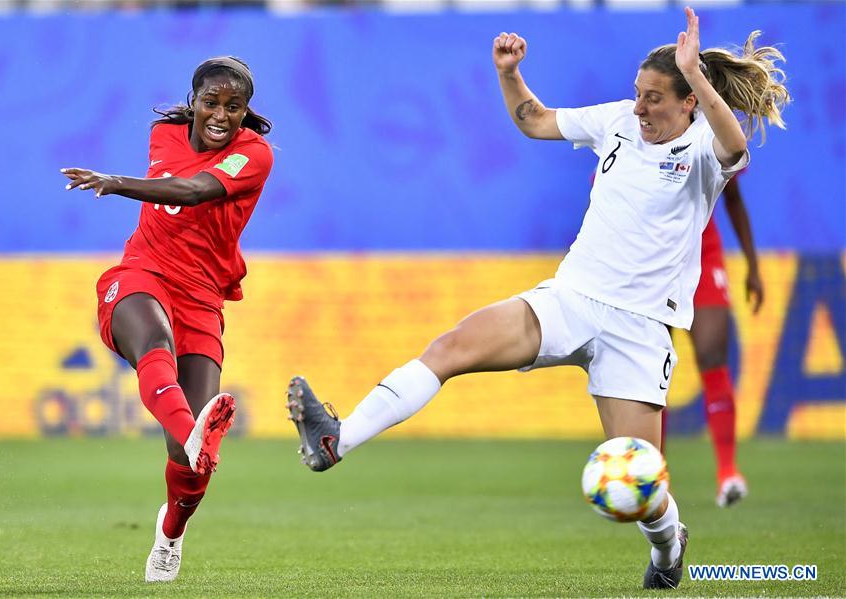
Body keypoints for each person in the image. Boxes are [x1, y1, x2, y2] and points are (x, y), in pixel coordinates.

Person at [285, 7, 789, 590]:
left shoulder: (705, 146)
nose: (640, 108)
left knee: (640, 480)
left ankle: (668, 545)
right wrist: (509, 74)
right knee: (450, 348)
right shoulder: (616, 121)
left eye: (654, 98)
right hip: (572, 299)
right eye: (638, 94)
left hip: (640, 329)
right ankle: (337, 439)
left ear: (689, 101)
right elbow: (536, 120)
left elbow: (734, 144)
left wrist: (694, 70)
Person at [61, 56, 274, 583]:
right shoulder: (164, 135)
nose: (221, 114)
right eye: (212, 102)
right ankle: (195, 434)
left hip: (202, 296)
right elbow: (178, 185)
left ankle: (171, 532)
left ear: (245, 111)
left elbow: (195, 190)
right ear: (194, 101)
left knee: (188, 466)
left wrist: (116, 182)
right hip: (143, 272)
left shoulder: (254, 154)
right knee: (154, 341)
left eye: (234, 106)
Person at [686, 172, 763, 508]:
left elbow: (733, 198)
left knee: (712, 356)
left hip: (703, 256)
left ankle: (728, 473)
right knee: (650, 365)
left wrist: (753, 267)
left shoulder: (709, 143)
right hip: (650, 263)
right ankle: (656, 478)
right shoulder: (628, 144)